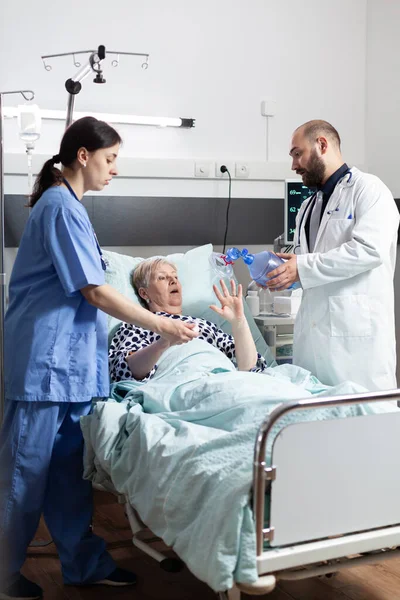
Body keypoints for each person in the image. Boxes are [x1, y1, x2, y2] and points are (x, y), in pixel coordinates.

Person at [0, 117, 198, 600]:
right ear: (83, 156)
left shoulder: (71, 207)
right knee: (25, 474)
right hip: (43, 368)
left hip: (70, 369)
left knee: (70, 474)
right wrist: (163, 325)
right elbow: (94, 290)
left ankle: (83, 566)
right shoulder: (59, 208)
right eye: (110, 159)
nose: (114, 170)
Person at [265, 119, 399, 391]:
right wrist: (280, 272)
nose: (294, 165)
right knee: (317, 422)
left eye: (297, 153)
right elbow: (313, 267)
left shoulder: (369, 190)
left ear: (322, 145)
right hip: (314, 339)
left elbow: (369, 250)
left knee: (364, 424)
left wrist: (302, 268)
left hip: (356, 346)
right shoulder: (308, 206)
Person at [109, 258, 267, 382]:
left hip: (225, 379)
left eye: (175, 276)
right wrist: (163, 342)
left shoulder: (205, 325)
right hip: (182, 383)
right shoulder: (138, 325)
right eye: (162, 278)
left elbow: (250, 368)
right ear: (144, 294)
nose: (173, 281)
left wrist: (239, 322)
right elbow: (125, 372)